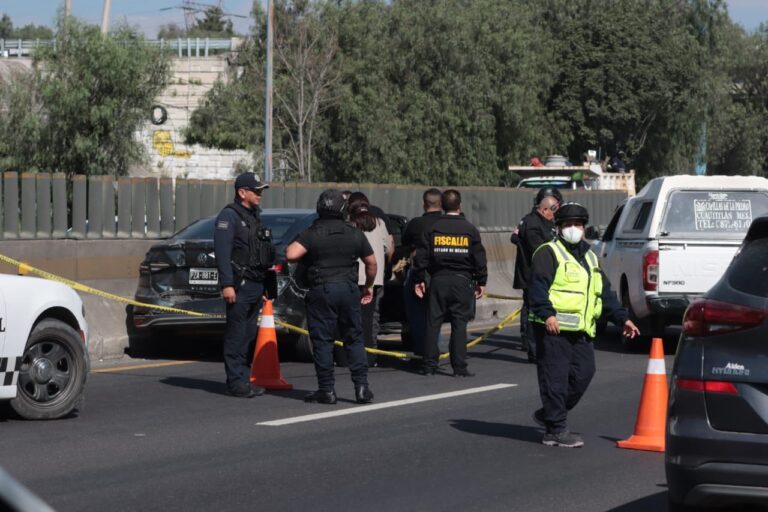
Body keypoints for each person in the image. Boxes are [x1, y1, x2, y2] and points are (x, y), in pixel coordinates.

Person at [529, 202, 640, 447]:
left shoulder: (590, 256)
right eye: (567, 224)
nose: (573, 228)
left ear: (584, 227)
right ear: (558, 228)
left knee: (584, 374)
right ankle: (556, 429)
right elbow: (537, 287)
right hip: (553, 328)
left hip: (581, 329)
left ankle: (550, 413)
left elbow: (605, 292)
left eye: (577, 224)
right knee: (555, 379)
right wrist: (547, 314)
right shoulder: (548, 252)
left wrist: (623, 317)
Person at [285, 189, 377, 405]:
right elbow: (371, 263)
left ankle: (327, 390)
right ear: (343, 210)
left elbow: (291, 254)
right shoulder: (353, 232)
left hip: (322, 290)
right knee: (354, 338)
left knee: (323, 341)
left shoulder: (312, 232)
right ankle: (362, 388)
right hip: (348, 289)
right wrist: (368, 287)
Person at [412, 189, 487, 377]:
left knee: (433, 323)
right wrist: (481, 280)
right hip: (462, 282)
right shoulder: (470, 229)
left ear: (443, 206)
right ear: (459, 206)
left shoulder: (433, 228)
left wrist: (419, 279)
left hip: (438, 280)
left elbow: (421, 257)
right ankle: (459, 367)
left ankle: (429, 366)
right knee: (459, 324)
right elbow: (479, 258)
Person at [214, 172, 276, 398]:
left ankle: (243, 379)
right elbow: (222, 253)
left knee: (248, 334)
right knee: (236, 334)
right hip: (239, 285)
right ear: (242, 193)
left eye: (261, 191)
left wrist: (266, 285)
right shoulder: (229, 217)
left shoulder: (254, 216)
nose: (260, 195)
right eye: (256, 191)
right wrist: (227, 284)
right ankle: (236, 382)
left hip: (255, 284)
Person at [510, 187, 563, 363]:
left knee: (532, 308)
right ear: (544, 208)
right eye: (553, 211)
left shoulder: (543, 222)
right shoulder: (532, 223)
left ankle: (535, 344)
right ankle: (532, 348)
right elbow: (539, 249)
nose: (555, 215)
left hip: (538, 273)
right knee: (532, 310)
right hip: (531, 273)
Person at [348, 193, 394, 367]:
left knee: (352, 317)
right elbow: (387, 247)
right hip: (374, 278)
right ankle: (370, 355)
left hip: (354, 277)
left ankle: (350, 354)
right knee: (371, 318)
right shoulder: (379, 223)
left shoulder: (350, 224)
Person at [401, 188, 443, 357]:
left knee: (417, 314)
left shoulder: (416, 224)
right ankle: (435, 350)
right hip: (443, 274)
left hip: (419, 272)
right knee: (436, 314)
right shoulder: (447, 223)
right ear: (441, 204)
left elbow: (404, 244)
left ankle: (422, 350)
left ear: (424, 204)